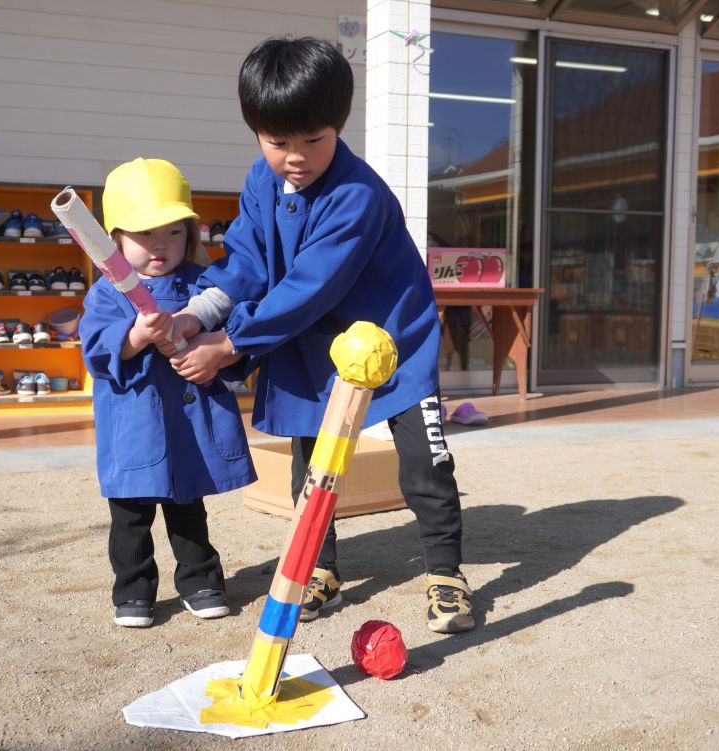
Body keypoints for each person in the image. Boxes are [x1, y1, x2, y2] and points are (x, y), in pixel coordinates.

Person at [167, 37, 475, 634]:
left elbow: (311, 285)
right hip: (311, 343)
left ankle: (445, 573)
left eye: (315, 139)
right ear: (257, 131)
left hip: (394, 339)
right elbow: (247, 260)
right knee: (314, 462)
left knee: (424, 463)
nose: (296, 157)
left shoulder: (357, 193)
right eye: (278, 141)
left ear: (339, 125)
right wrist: (197, 315)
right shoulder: (261, 181)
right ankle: (319, 568)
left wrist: (230, 345)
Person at [79, 158, 257, 629]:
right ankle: (134, 590)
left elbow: (237, 335)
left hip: (187, 422)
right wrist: (135, 335)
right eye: (144, 234)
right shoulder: (105, 294)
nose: (160, 245)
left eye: (173, 232)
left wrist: (218, 351)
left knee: (187, 507)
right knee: (130, 515)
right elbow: (95, 350)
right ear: (115, 239)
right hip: (134, 424)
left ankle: (201, 580)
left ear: (191, 234)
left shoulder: (205, 285)